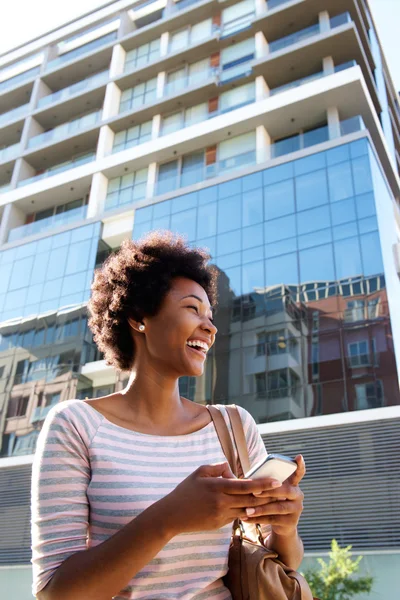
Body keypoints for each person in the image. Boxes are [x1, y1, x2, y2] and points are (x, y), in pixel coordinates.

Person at [31, 231, 305, 600]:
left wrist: (285, 528)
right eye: (192, 309)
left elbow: (283, 565)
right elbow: (54, 592)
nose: (210, 327)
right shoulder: (76, 425)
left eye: (210, 315)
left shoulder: (233, 425)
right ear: (139, 317)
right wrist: (170, 517)